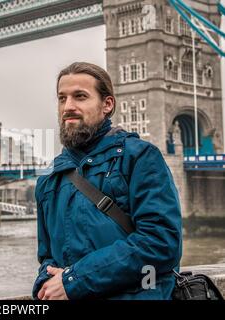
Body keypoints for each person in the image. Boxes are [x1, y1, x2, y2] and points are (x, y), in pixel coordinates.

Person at [32, 62, 182, 300]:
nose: (68, 106)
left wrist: (74, 280)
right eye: (62, 98)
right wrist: (45, 284)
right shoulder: (50, 179)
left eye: (80, 96)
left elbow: (161, 244)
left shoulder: (140, 158)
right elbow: (47, 256)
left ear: (107, 104)